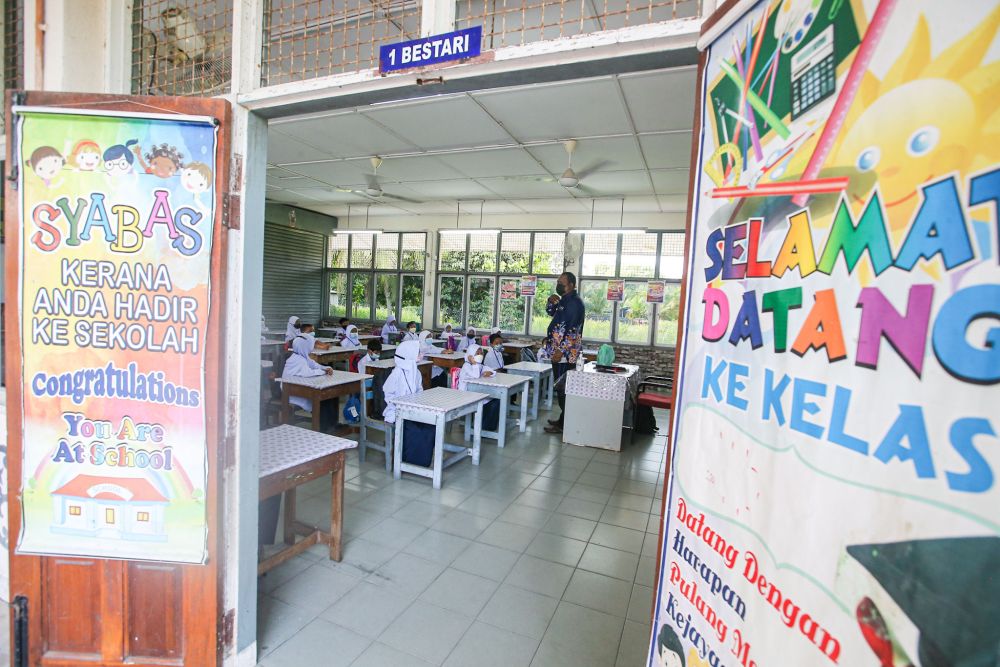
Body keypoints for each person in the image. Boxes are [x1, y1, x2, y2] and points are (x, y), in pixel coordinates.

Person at [543, 271, 585, 434]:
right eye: (558, 282)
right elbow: (551, 313)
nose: (559, 285)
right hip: (558, 353)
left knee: (564, 388)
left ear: (572, 285)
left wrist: (561, 350)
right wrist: (550, 302)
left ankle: (565, 424)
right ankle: (562, 420)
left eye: (562, 283)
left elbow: (573, 331)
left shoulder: (575, 303)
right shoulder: (564, 301)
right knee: (561, 388)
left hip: (565, 355)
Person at [383, 340, 436, 466]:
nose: (421, 354)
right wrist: (400, 405)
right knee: (415, 430)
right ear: (409, 354)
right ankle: (407, 458)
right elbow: (388, 393)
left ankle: (421, 460)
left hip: (413, 408)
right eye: (417, 352)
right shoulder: (397, 373)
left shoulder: (416, 372)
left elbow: (419, 390)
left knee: (430, 426)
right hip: (396, 410)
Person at [282, 336, 338, 432]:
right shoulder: (297, 360)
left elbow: (314, 365)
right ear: (304, 347)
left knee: (331, 396)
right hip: (292, 392)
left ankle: (332, 424)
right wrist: (323, 372)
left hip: (299, 388)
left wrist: (325, 368)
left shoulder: (302, 356)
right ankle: (324, 428)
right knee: (323, 399)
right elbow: (308, 373)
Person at [458, 344, 500, 430]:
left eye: (481, 353)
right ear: (471, 354)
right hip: (465, 394)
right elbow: (476, 375)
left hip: (475, 392)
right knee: (490, 400)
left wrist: (490, 373)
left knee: (495, 400)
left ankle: (486, 426)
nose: (480, 355)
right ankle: (483, 427)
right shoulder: (467, 365)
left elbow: (493, 371)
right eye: (477, 353)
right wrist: (473, 362)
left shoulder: (480, 365)